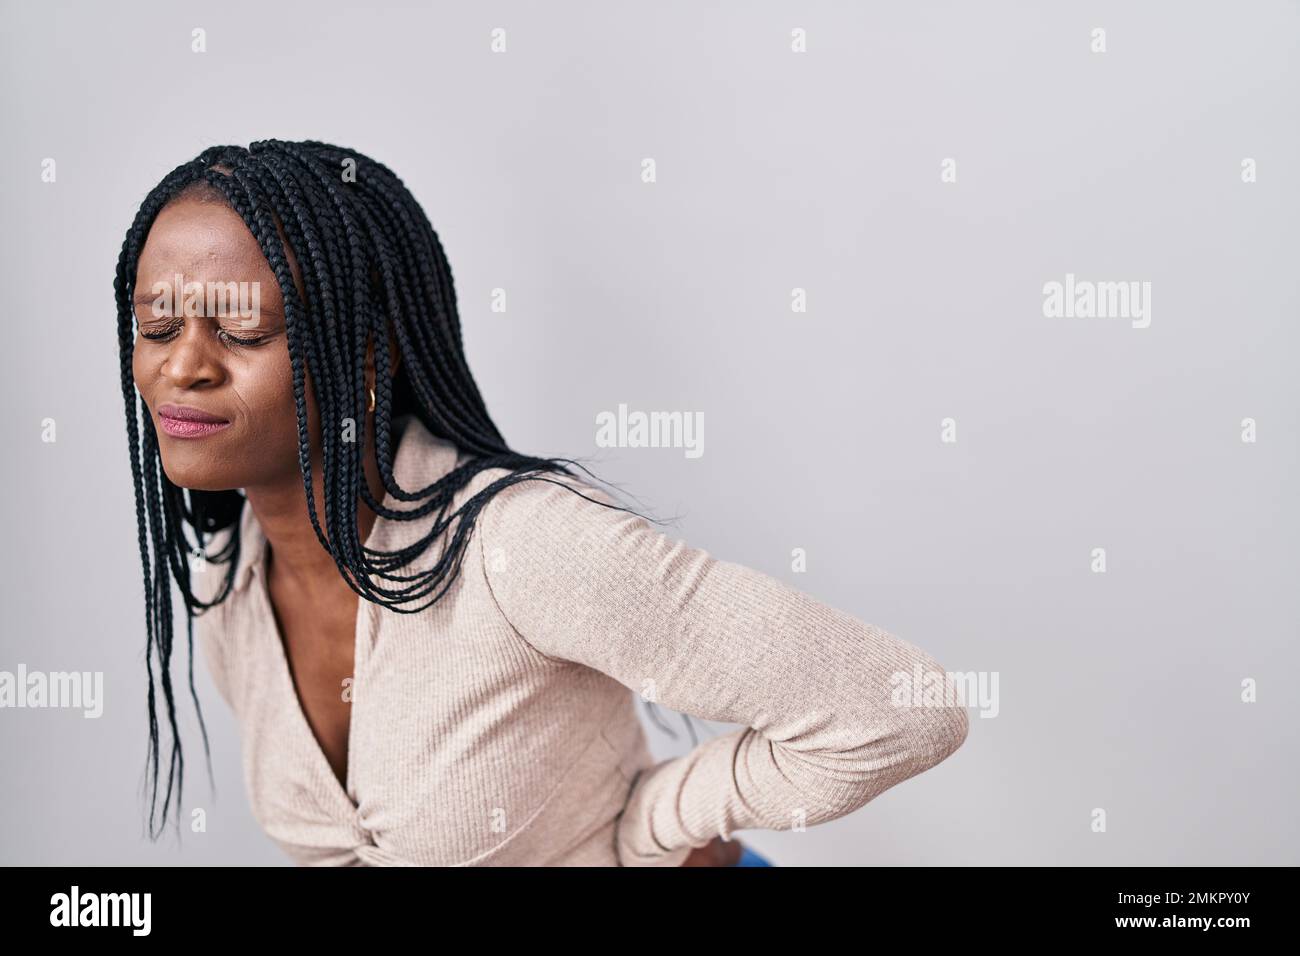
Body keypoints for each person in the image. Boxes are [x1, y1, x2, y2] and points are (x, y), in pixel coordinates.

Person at [115, 140, 969, 866]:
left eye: (242, 330)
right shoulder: (228, 597)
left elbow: (901, 706)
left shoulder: (518, 546)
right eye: (156, 327)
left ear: (369, 357)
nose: (181, 366)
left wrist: (647, 826)